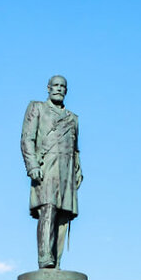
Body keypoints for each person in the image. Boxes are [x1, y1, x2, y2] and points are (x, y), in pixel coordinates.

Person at [21, 75, 83, 269]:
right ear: (48, 88)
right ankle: (44, 257)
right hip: (46, 167)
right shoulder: (37, 108)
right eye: (55, 85)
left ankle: (56, 262)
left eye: (62, 86)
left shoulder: (73, 118)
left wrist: (78, 169)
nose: (59, 89)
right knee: (48, 209)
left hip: (66, 171)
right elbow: (27, 139)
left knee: (63, 216)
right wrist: (32, 166)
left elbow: (75, 148)